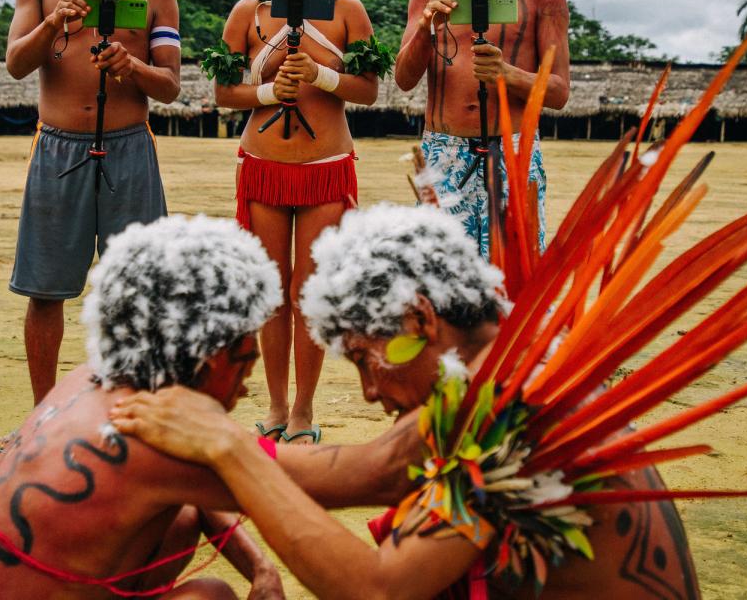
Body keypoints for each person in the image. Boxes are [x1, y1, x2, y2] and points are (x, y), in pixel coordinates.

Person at [111, 206, 699, 599]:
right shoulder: (508, 367)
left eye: (367, 360)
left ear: (419, 318)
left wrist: (226, 446)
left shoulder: (503, 414)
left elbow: (381, 590)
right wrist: (185, 447)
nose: (369, 392)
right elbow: (367, 470)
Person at [0, 215, 286, 599]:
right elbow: (323, 479)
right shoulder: (144, 431)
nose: (248, 381)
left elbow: (194, 489)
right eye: (246, 359)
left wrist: (263, 570)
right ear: (207, 354)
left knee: (185, 526)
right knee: (209, 596)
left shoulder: (91, 380)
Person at [199, 0, 389, 445]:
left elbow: (369, 89)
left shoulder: (349, 11)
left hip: (326, 170)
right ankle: (277, 406)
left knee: (309, 290)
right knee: (272, 291)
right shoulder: (247, 13)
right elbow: (222, 92)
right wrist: (267, 93)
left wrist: (323, 75)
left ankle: (305, 410)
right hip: (264, 169)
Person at [5, 0, 181, 404]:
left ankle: (134, 408)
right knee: (46, 288)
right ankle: (42, 413)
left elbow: (170, 86)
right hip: (58, 147)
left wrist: (131, 65)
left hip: (130, 146)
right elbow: (16, 64)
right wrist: (54, 22)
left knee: (140, 289)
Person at [395, 0, 571, 256]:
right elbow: (404, 79)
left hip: (513, 150)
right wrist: (427, 26)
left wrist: (507, 74)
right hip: (443, 150)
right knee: (437, 276)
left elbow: (558, 93)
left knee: (513, 280)